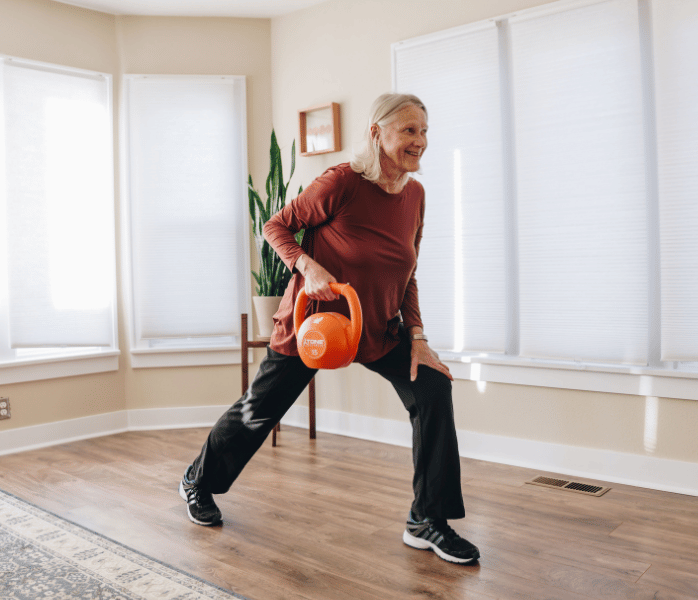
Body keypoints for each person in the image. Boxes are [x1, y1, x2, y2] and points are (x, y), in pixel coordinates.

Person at [179, 93, 480, 564]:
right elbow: (276, 225)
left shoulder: (416, 196)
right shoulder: (342, 182)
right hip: (317, 325)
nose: (420, 141)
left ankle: (427, 520)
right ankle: (198, 481)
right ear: (377, 133)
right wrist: (308, 266)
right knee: (258, 411)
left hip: (378, 328)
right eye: (409, 130)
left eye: (424, 131)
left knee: (433, 389)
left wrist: (418, 338)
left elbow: (408, 274)